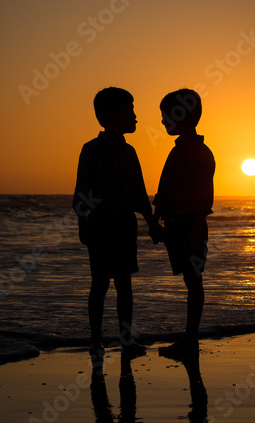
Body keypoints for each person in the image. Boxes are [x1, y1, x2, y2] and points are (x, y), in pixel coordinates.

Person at [73, 87, 163, 357]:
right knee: (99, 283)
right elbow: (82, 191)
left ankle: (125, 340)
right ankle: (95, 341)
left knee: (124, 283)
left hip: (126, 224)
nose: (135, 116)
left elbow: (138, 192)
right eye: (129, 111)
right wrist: (82, 223)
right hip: (101, 224)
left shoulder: (130, 152)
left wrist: (150, 222)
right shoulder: (92, 150)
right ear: (109, 117)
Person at [153, 88, 215, 356]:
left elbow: (204, 198)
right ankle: (190, 339)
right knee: (191, 280)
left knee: (193, 281)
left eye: (166, 115)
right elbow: (164, 188)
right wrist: (156, 219)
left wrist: (195, 229)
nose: (163, 121)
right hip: (176, 225)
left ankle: (191, 340)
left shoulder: (199, 152)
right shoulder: (179, 150)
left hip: (190, 226)